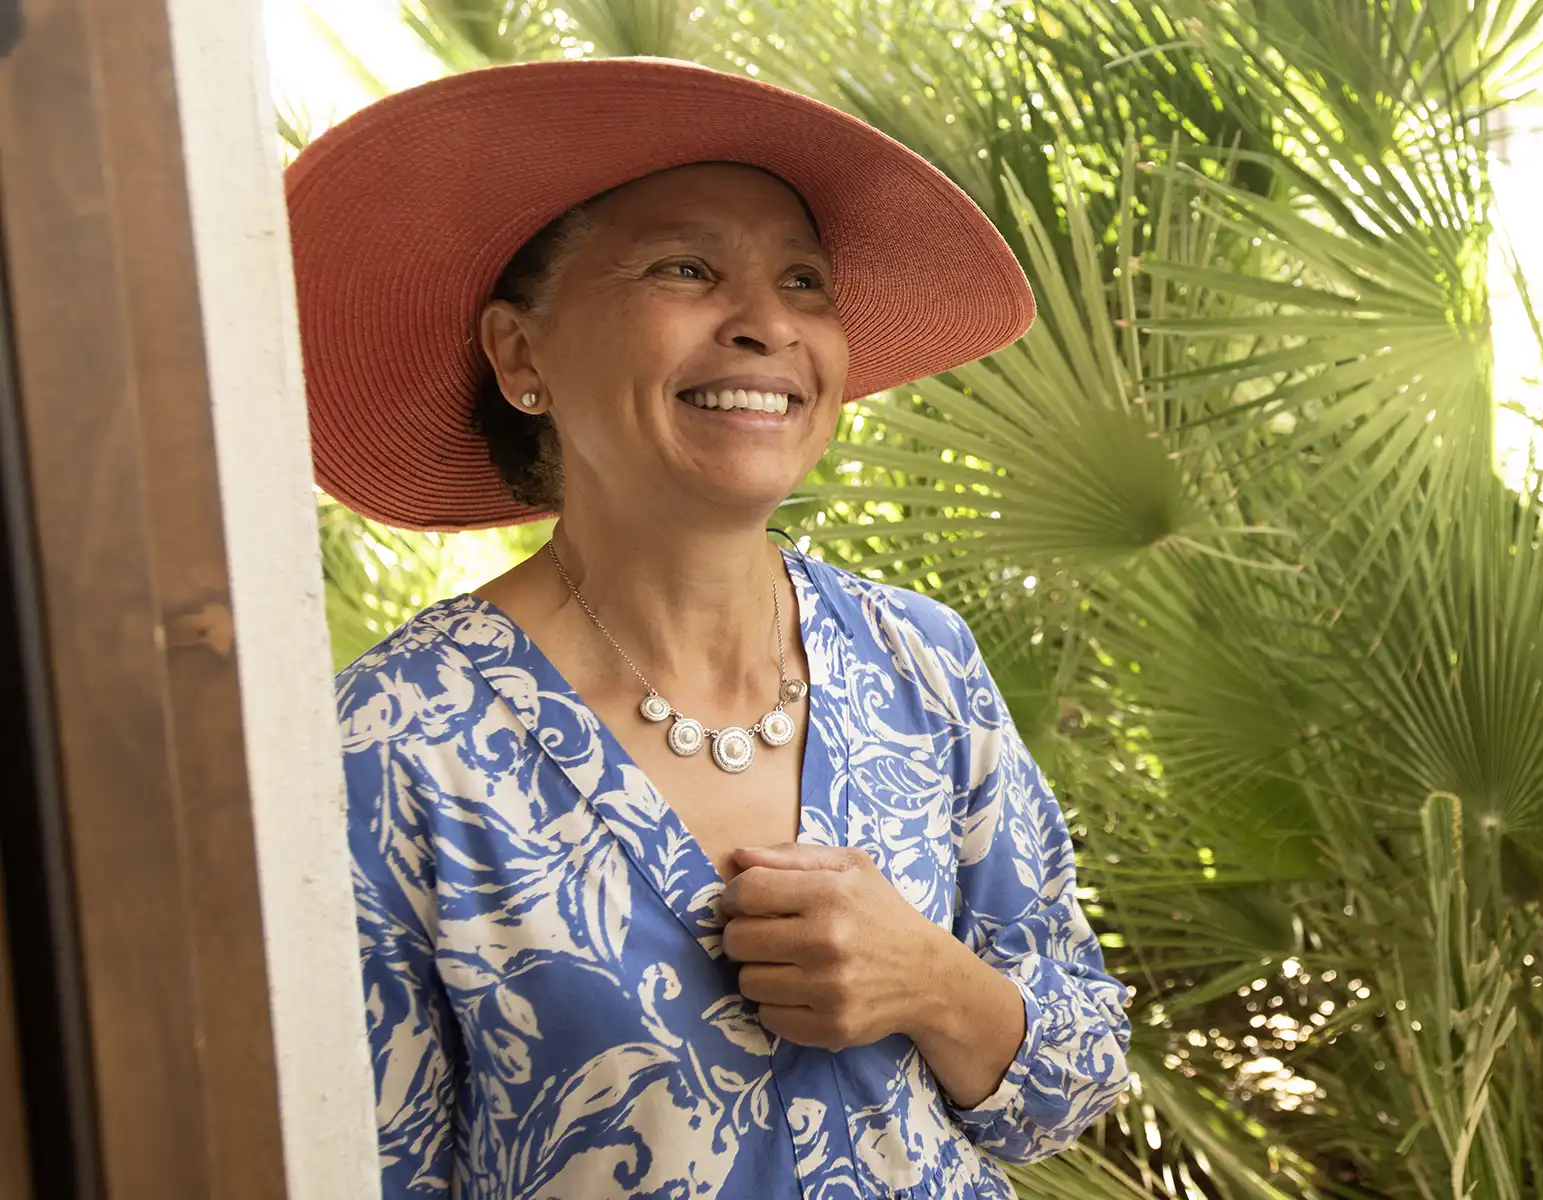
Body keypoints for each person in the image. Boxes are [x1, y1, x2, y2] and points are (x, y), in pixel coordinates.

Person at [290, 57, 1131, 1199]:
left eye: (804, 282)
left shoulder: (918, 661)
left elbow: (1075, 1081)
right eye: (687, 269)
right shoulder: (394, 746)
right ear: (520, 355)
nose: (768, 327)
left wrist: (935, 982)